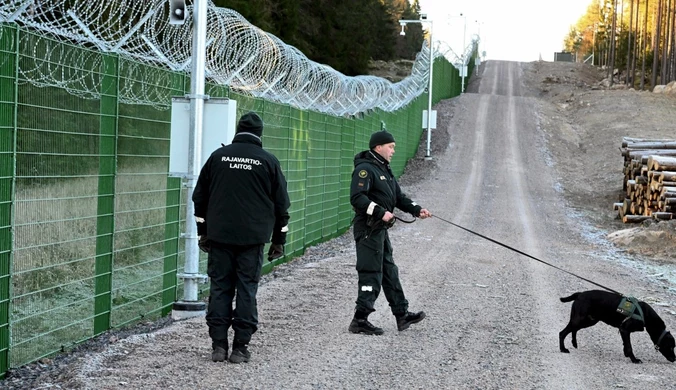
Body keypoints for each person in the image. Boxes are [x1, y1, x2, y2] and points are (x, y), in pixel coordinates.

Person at [193, 111, 290, 363]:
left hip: (220, 236)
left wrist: (202, 233)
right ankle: (240, 347)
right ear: (260, 134)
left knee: (220, 287)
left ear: (237, 130)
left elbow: (199, 198)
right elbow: (282, 205)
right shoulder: (268, 161)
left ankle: (218, 346)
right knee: (247, 288)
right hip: (252, 238)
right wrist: (279, 239)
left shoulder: (217, 157)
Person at [348, 129, 432, 335]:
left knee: (389, 272)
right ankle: (360, 319)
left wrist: (416, 209)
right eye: (391, 146)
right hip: (368, 228)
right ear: (378, 147)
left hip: (380, 230)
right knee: (371, 272)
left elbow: (398, 197)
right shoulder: (365, 170)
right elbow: (357, 198)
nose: (393, 151)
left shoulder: (384, 170)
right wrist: (380, 212)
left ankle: (401, 315)